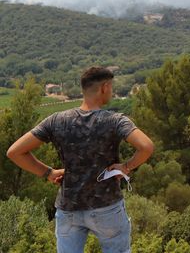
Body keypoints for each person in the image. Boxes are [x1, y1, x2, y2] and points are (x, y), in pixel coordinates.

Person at [6, 66, 155, 253]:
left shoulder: (56, 120)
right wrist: (126, 166)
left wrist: (48, 172)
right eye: (111, 87)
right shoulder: (115, 120)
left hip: (69, 208)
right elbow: (146, 147)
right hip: (107, 207)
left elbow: (15, 152)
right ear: (104, 87)